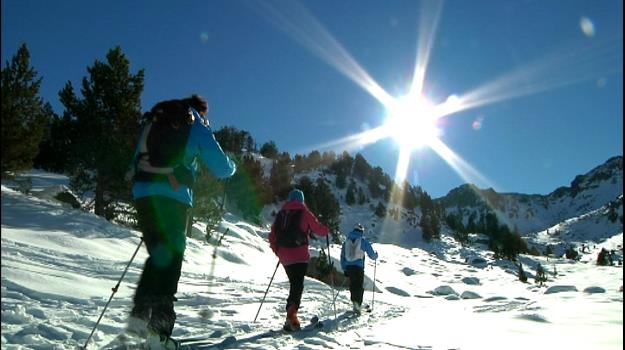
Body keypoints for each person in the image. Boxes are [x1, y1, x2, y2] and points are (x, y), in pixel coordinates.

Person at [128, 94, 236, 349]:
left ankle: (139, 319)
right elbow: (221, 168)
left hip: (143, 194)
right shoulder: (194, 124)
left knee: (158, 255)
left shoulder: (155, 120)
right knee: (171, 259)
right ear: (200, 110)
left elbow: (136, 159)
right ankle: (159, 334)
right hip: (172, 197)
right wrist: (232, 166)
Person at [268, 189, 328, 331]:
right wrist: (326, 229)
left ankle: (291, 313)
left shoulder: (282, 214)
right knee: (297, 285)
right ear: (301, 200)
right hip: (299, 256)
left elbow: (272, 236)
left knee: (294, 284)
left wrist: (279, 251)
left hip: (285, 257)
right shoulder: (304, 212)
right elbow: (318, 229)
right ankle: (291, 316)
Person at [340, 224, 378, 314]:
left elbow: (342, 257)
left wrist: (344, 268)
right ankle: (358, 304)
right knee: (359, 285)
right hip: (358, 267)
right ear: (361, 231)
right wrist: (376, 255)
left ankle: (354, 302)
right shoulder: (362, 241)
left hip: (349, 267)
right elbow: (371, 254)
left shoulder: (346, 242)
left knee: (353, 284)